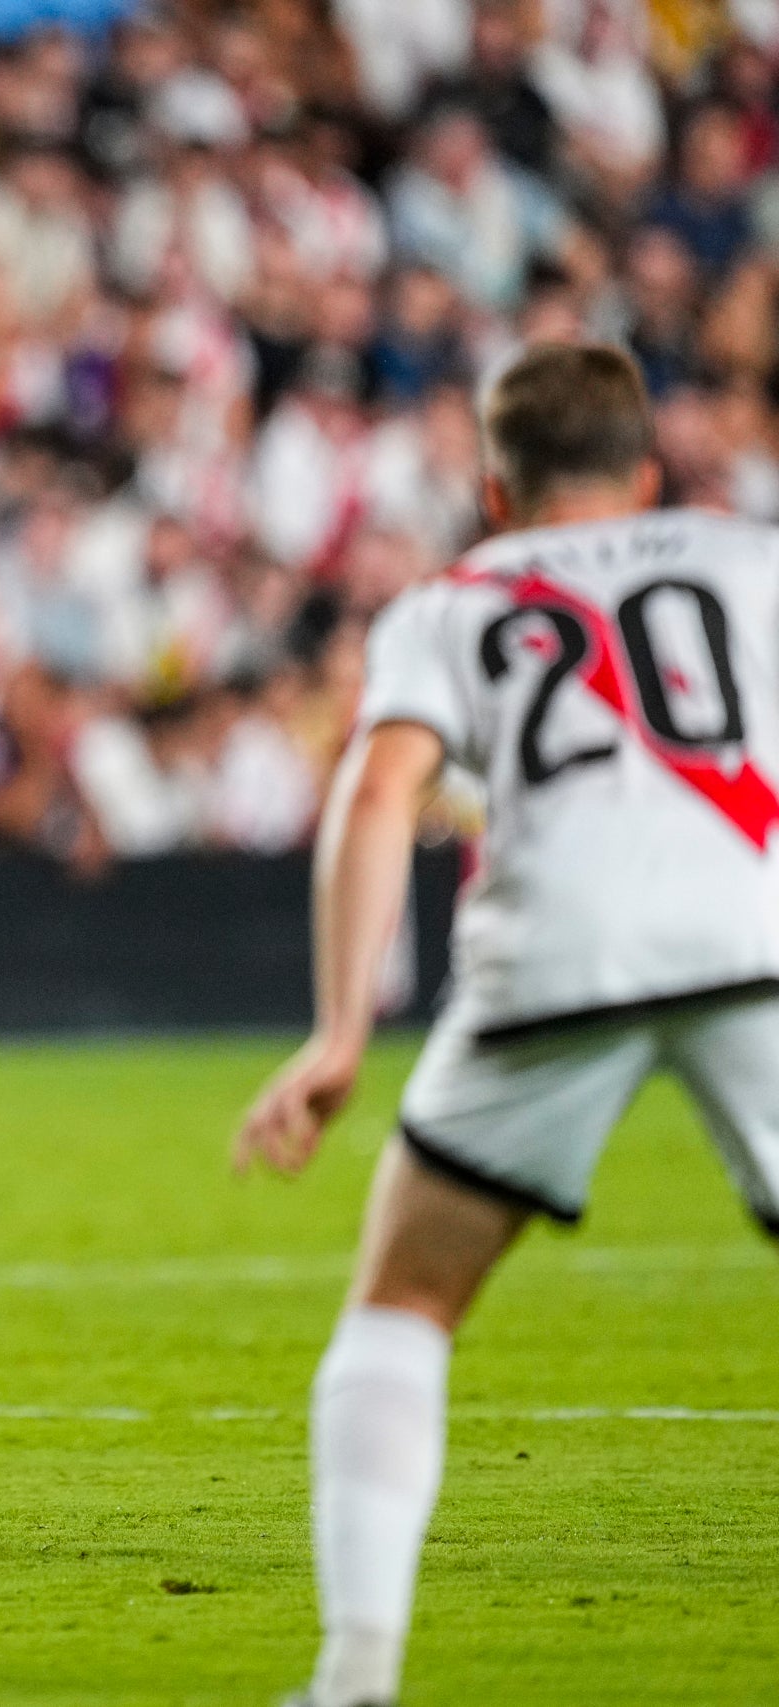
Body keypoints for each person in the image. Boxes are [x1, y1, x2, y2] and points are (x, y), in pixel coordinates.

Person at [236, 342, 779, 1707]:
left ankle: (356, 1675)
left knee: (406, 1301)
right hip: (757, 936)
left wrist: (341, 1032)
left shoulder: (448, 606)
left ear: (495, 488)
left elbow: (377, 797)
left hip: (555, 951)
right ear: (648, 473)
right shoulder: (751, 559)